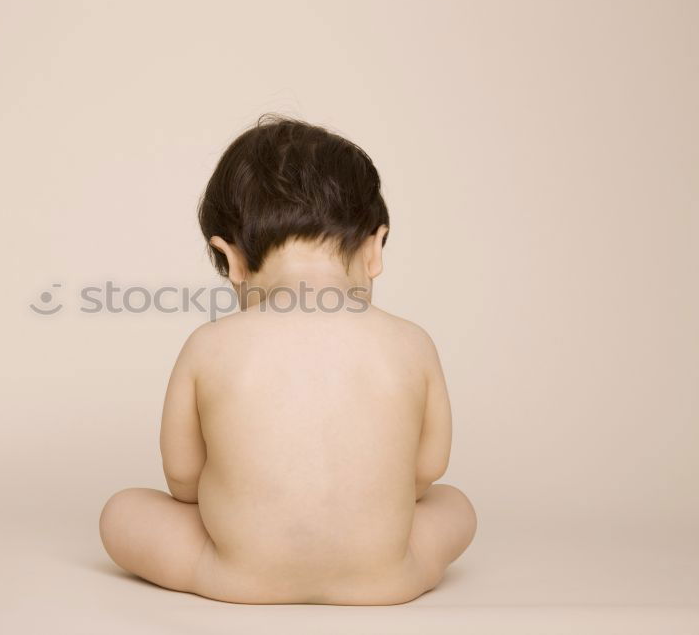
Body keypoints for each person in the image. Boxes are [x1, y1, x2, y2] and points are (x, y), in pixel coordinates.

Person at [99, 114, 477, 605]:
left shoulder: (209, 344)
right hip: (386, 576)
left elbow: (185, 482)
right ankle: (375, 561)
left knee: (122, 512)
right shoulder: (412, 343)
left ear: (230, 258)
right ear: (374, 247)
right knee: (455, 506)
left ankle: (232, 569)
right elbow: (426, 471)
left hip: (237, 575)